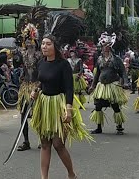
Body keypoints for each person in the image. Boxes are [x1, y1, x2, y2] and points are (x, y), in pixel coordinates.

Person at [30, 13, 93, 179]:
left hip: (59, 105)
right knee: (45, 143)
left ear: (55, 46)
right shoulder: (41, 63)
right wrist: (35, 91)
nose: (44, 47)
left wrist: (69, 109)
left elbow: (69, 88)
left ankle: (71, 174)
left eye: (48, 44)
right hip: (44, 105)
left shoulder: (63, 65)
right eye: (43, 43)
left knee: (58, 144)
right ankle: (44, 177)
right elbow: (40, 81)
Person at [89, 31, 129, 135]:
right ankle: (98, 127)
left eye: (108, 45)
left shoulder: (116, 59)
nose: (106, 47)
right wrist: (93, 86)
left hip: (112, 86)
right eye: (104, 45)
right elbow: (97, 74)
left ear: (111, 46)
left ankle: (119, 127)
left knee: (115, 106)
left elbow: (123, 72)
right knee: (98, 106)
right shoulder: (99, 59)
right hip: (101, 86)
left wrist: (126, 83)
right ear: (102, 47)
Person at [16, 22, 42, 151]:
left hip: (37, 86)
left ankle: (42, 139)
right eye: (25, 40)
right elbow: (24, 68)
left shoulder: (40, 55)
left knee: (39, 114)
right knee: (23, 114)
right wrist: (22, 75)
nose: (27, 43)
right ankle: (26, 141)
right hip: (25, 87)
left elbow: (42, 71)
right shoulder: (23, 54)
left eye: (29, 40)